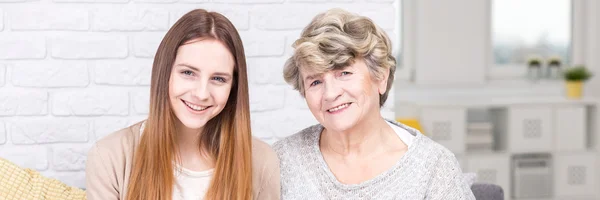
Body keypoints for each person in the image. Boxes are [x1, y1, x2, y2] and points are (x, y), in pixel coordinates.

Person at [274, 8, 475, 199]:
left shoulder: (433, 168)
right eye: (315, 82)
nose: (331, 93)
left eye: (344, 73)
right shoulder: (282, 160)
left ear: (380, 77)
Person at [85, 9, 280, 200]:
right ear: (165, 73)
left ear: (233, 87)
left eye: (218, 79)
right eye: (188, 73)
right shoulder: (110, 157)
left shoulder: (262, 161)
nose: (202, 93)